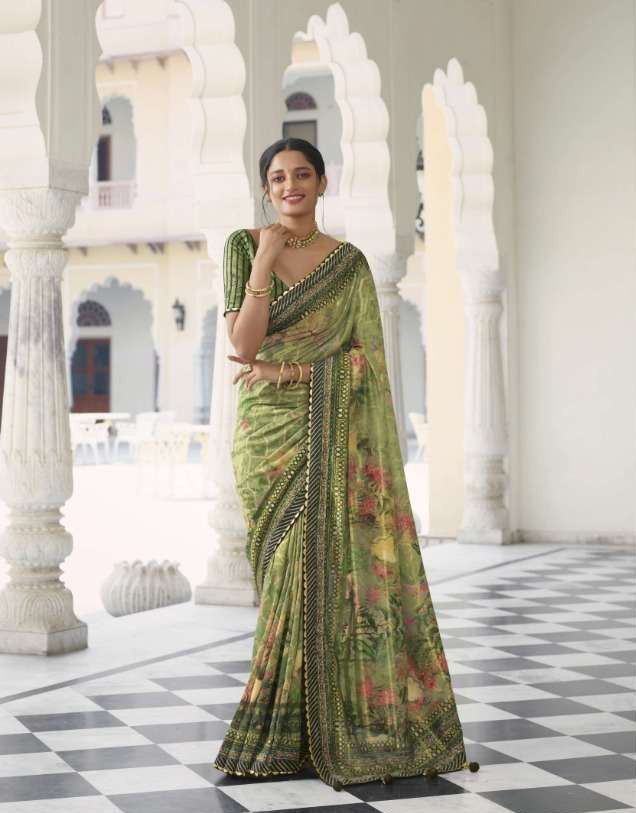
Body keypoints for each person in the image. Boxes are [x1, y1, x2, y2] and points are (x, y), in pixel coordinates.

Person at [214, 137, 479, 790]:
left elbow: (364, 362)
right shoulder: (244, 246)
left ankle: (328, 725)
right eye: (277, 177)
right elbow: (242, 343)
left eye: (302, 174)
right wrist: (265, 261)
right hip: (266, 440)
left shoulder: (351, 265)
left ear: (323, 183)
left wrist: (293, 368)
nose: (290, 185)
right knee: (282, 574)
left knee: (326, 572)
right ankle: (280, 725)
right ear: (266, 188)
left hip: (331, 434)